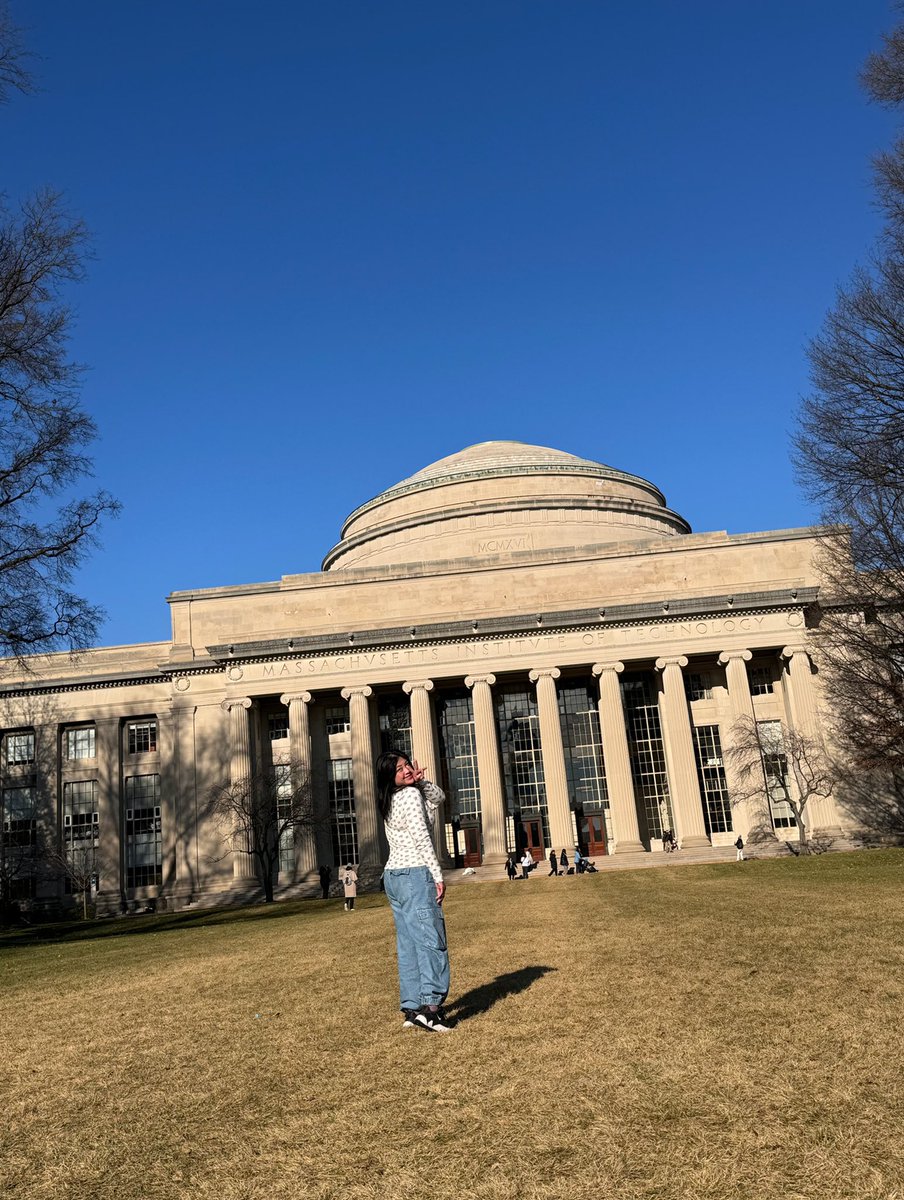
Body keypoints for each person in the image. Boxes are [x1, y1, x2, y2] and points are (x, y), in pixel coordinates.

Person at [376, 749, 452, 1033]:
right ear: (389, 777)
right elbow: (422, 837)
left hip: (394, 876)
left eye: (407, 764)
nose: (407, 770)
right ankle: (431, 1010)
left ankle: (412, 1007)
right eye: (399, 769)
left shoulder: (393, 798)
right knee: (431, 940)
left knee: (408, 943)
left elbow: (439, 798)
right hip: (415, 873)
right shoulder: (407, 796)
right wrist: (437, 875)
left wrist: (421, 782)